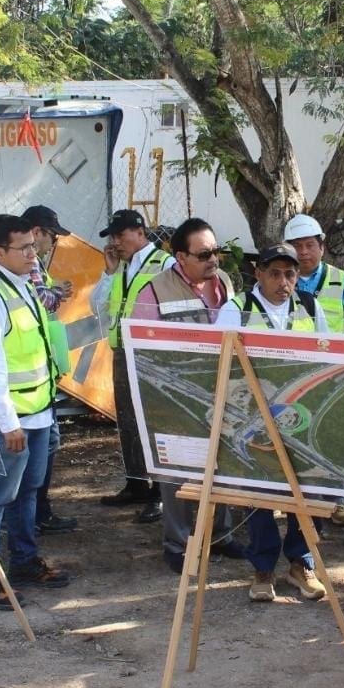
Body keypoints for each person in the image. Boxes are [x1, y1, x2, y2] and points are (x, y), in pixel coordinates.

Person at [0, 214, 71, 609]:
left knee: (28, 492)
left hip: (38, 411)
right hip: (9, 421)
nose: (33, 254)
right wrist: (8, 422)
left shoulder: (24, 284)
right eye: (24, 248)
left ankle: (24, 561)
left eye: (33, 246)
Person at [216, 243, 329, 602]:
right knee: (258, 491)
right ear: (258, 274)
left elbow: (328, 354)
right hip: (252, 418)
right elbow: (218, 363)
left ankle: (301, 563)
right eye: (275, 273)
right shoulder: (236, 310)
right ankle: (263, 567)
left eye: (290, 274)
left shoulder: (309, 306)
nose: (284, 282)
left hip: (299, 417)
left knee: (307, 487)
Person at [131, 217, 246, 573]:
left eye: (216, 251)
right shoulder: (153, 292)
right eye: (204, 254)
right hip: (175, 398)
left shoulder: (224, 283)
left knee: (222, 465)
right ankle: (178, 544)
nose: (214, 260)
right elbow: (141, 352)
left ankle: (220, 535)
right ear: (180, 257)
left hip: (222, 394)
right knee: (176, 471)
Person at [91, 209, 174, 523]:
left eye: (119, 235)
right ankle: (136, 483)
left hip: (153, 355)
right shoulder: (120, 268)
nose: (115, 242)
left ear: (139, 232)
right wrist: (110, 272)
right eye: (112, 237)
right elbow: (97, 306)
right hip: (123, 352)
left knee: (154, 423)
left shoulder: (164, 264)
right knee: (128, 421)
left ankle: (160, 492)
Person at [284, 213, 344, 526]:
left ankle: (339, 500)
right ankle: (299, 500)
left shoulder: (343, 282)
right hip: (291, 373)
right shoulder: (280, 279)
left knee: (333, 439)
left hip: (334, 374)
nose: (303, 252)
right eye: (297, 246)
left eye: (309, 245)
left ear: (322, 247)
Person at [20, 205, 77, 536]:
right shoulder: (26, 261)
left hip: (38, 372)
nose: (53, 243)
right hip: (27, 378)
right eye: (52, 236)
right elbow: (45, 301)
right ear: (37, 232)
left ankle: (36, 514)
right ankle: (33, 517)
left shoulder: (32, 261)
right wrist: (58, 293)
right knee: (37, 451)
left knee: (45, 445)